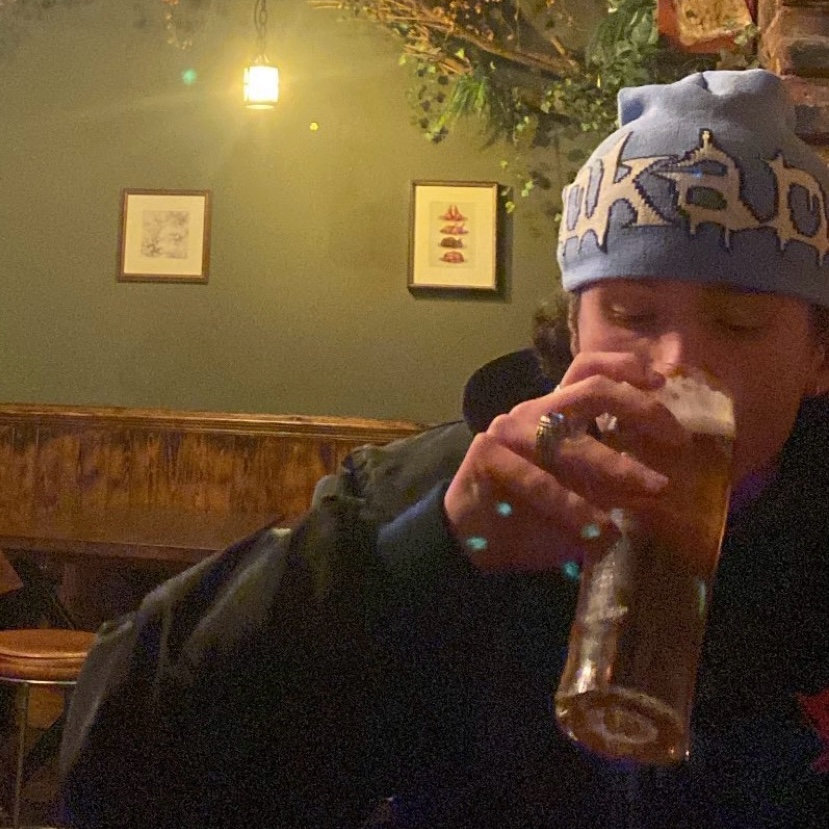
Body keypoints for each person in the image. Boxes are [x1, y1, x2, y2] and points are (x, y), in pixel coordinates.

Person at [59, 69, 829, 828]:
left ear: (817, 355)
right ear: (574, 328)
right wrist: (426, 554)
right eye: (629, 313)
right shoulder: (432, 492)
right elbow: (117, 775)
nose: (674, 364)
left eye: (738, 322)